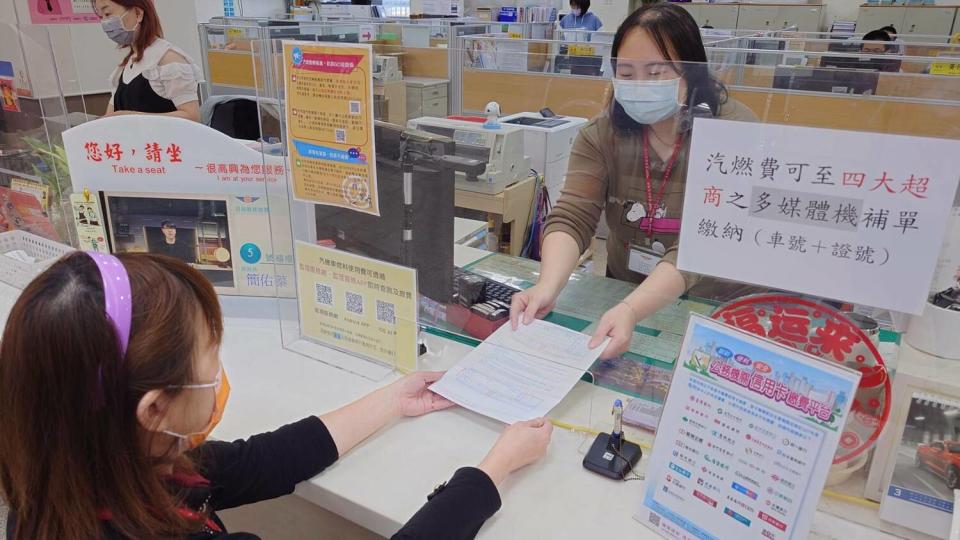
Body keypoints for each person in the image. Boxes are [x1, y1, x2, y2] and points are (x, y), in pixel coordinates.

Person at [0, 252, 553, 539]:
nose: (219, 369)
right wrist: (492, 470)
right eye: (209, 353)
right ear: (154, 409)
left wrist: (392, 401)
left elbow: (255, 463)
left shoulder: (64, 478)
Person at [511, 3, 756, 359]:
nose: (639, 85)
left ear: (691, 72)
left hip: (713, 305)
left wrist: (632, 309)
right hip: (623, 291)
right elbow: (573, 215)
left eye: (655, 73)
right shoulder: (604, 132)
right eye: (625, 73)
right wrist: (547, 287)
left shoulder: (732, 132)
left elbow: (700, 245)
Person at [95, 0, 202, 121]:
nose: (105, 22)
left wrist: (132, 117)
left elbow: (192, 117)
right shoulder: (124, 66)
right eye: (101, 16)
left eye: (108, 14)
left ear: (138, 13)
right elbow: (109, 117)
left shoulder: (168, 59)